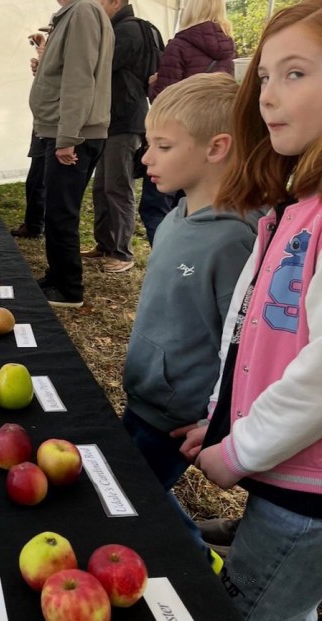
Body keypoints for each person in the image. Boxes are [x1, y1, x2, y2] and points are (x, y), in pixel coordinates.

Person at [180, 2, 322, 617]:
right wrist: (223, 421)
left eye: (295, 74)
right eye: (263, 76)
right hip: (283, 472)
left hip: (309, 494)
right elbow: (252, 330)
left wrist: (237, 452)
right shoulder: (296, 202)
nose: (267, 96)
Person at [120, 73, 257, 558]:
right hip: (146, 393)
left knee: (132, 494)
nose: (146, 157)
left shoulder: (237, 242)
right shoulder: (177, 216)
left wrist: (218, 417)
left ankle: (195, 558)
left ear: (215, 148)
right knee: (129, 481)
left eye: (162, 145)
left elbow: (245, 345)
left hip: (176, 413)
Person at [29, 0, 114, 308]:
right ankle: (57, 275)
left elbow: (80, 78)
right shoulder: (78, 13)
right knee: (56, 210)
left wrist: (67, 137)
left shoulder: (82, 12)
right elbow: (69, 73)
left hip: (72, 134)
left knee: (61, 213)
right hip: (67, 130)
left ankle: (68, 288)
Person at [138, 0, 237, 245]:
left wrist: (152, 84)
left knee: (156, 207)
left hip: (179, 135)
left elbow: (165, 98)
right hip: (211, 134)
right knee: (197, 205)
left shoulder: (180, 44)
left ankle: (168, 256)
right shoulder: (228, 48)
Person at [84, 0, 155, 273]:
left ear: (115, 2)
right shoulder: (119, 29)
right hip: (112, 120)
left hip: (125, 119)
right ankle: (104, 244)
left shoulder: (127, 32)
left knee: (118, 187)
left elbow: (99, 68)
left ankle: (122, 252)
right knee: (102, 186)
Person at [12, 35, 48, 239]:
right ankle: (34, 223)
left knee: (38, 179)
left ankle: (35, 225)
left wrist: (41, 64)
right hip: (42, 123)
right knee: (36, 179)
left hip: (48, 125)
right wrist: (39, 67)